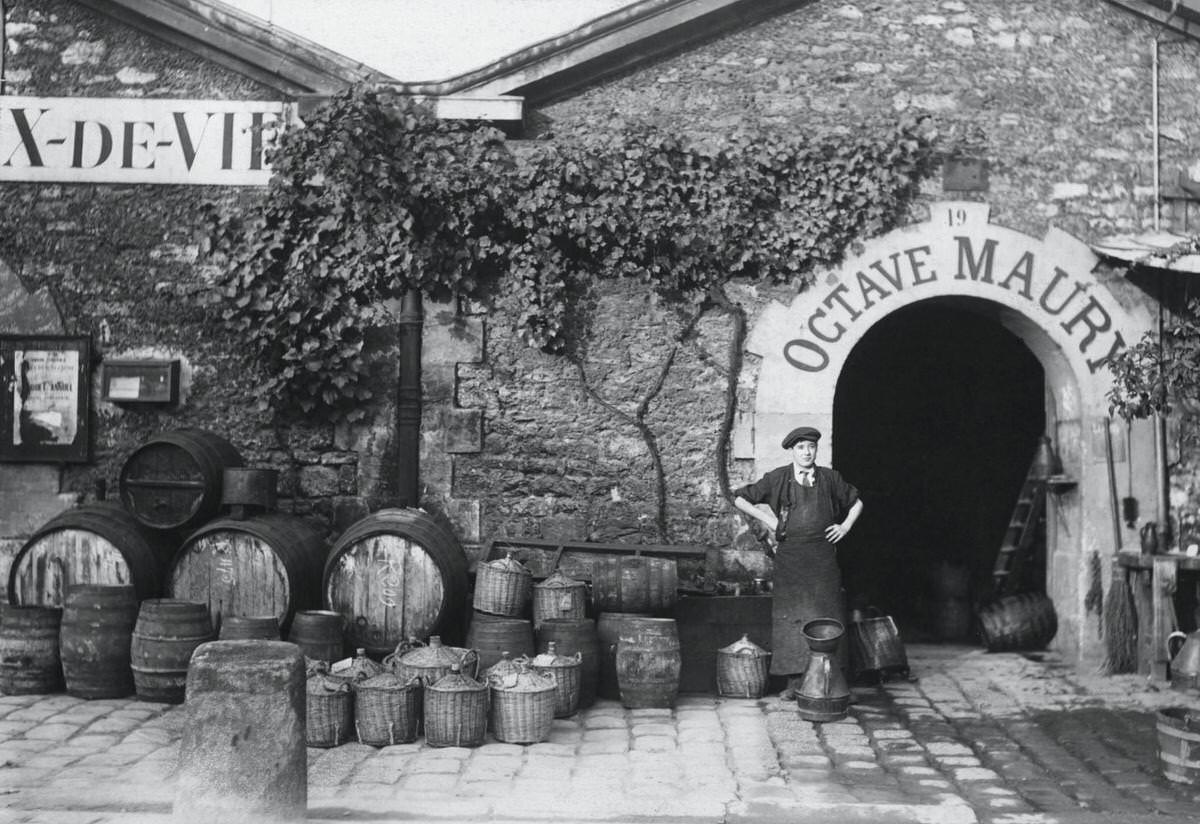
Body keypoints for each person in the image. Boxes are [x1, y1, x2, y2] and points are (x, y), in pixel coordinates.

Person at [732, 425, 863, 699]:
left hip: (823, 559)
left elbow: (857, 502)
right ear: (793, 451)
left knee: (828, 615)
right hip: (790, 559)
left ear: (816, 450)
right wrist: (770, 520)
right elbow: (740, 499)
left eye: (811, 447)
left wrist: (846, 526)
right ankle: (793, 683)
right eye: (801, 447)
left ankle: (833, 680)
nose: (806, 452)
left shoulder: (830, 478)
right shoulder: (778, 478)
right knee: (791, 618)